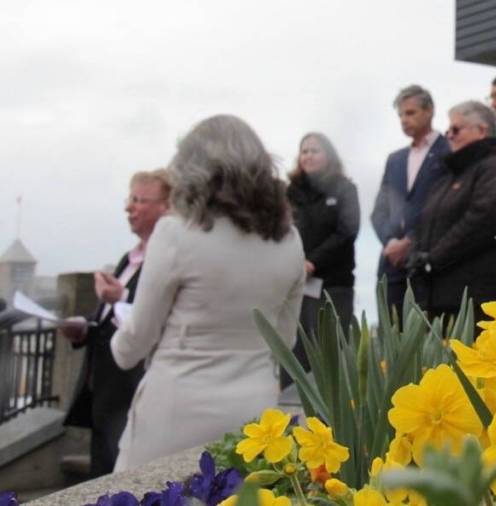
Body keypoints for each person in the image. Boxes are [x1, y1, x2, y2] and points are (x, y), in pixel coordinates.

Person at [109, 115, 305, 471]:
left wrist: (118, 343)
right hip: (252, 417)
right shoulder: (289, 242)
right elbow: (284, 340)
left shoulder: (175, 233)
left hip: (173, 412)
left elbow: (135, 342)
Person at [62, 170, 170, 477]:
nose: (129, 207)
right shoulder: (129, 257)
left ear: (167, 207)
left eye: (139, 200)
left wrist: (120, 294)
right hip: (103, 392)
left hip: (130, 390)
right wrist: (83, 326)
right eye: (129, 199)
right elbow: (109, 315)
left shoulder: (166, 260)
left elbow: (158, 316)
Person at [408, 101, 496, 325]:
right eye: (448, 130)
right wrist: (417, 257)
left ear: (481, 130)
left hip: (477, 300)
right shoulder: (448, 178)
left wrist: (434, 258)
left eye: (456, 129)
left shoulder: (495, 168)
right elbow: (423, 223)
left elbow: (486, 217)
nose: (449, 136)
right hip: (443, 298)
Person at [285, 132, 360, 384]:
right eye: (303, 150)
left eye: (314, 150)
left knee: (329, 361)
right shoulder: (289, 193)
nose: (307, 155)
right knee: (293, 357)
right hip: (294, 287)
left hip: (333, 287)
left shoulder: (344, 189)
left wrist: (313, 262)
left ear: (329, 154)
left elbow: (347, 231)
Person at [371, 85, 450, 322]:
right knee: (391, 341)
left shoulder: (448, 150)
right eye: (401, 115)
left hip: (427, 263)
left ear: (430, 111)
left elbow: (447, 206)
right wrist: (391, 242)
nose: (404, 120)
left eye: (411, 113)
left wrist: (411, 241)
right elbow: (379, 211)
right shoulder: (395, 159)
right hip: (391, 266)